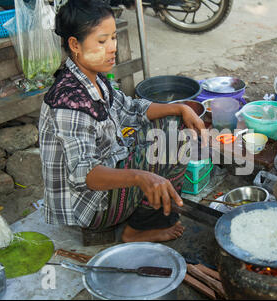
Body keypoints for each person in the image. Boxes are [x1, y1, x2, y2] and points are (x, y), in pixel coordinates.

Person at [38, 0, 206, 244]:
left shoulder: (95, 79)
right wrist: (140, 176)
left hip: (108, 170)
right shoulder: (69, 102)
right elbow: (84, 174)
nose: (112, 48)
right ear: (75, 44)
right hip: (90, 205)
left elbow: (132, 109)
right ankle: (137, 230)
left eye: (114, 38)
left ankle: (149, 217)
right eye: (102, 41)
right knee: (168, 147)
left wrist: (180, 108)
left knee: (174, 125)